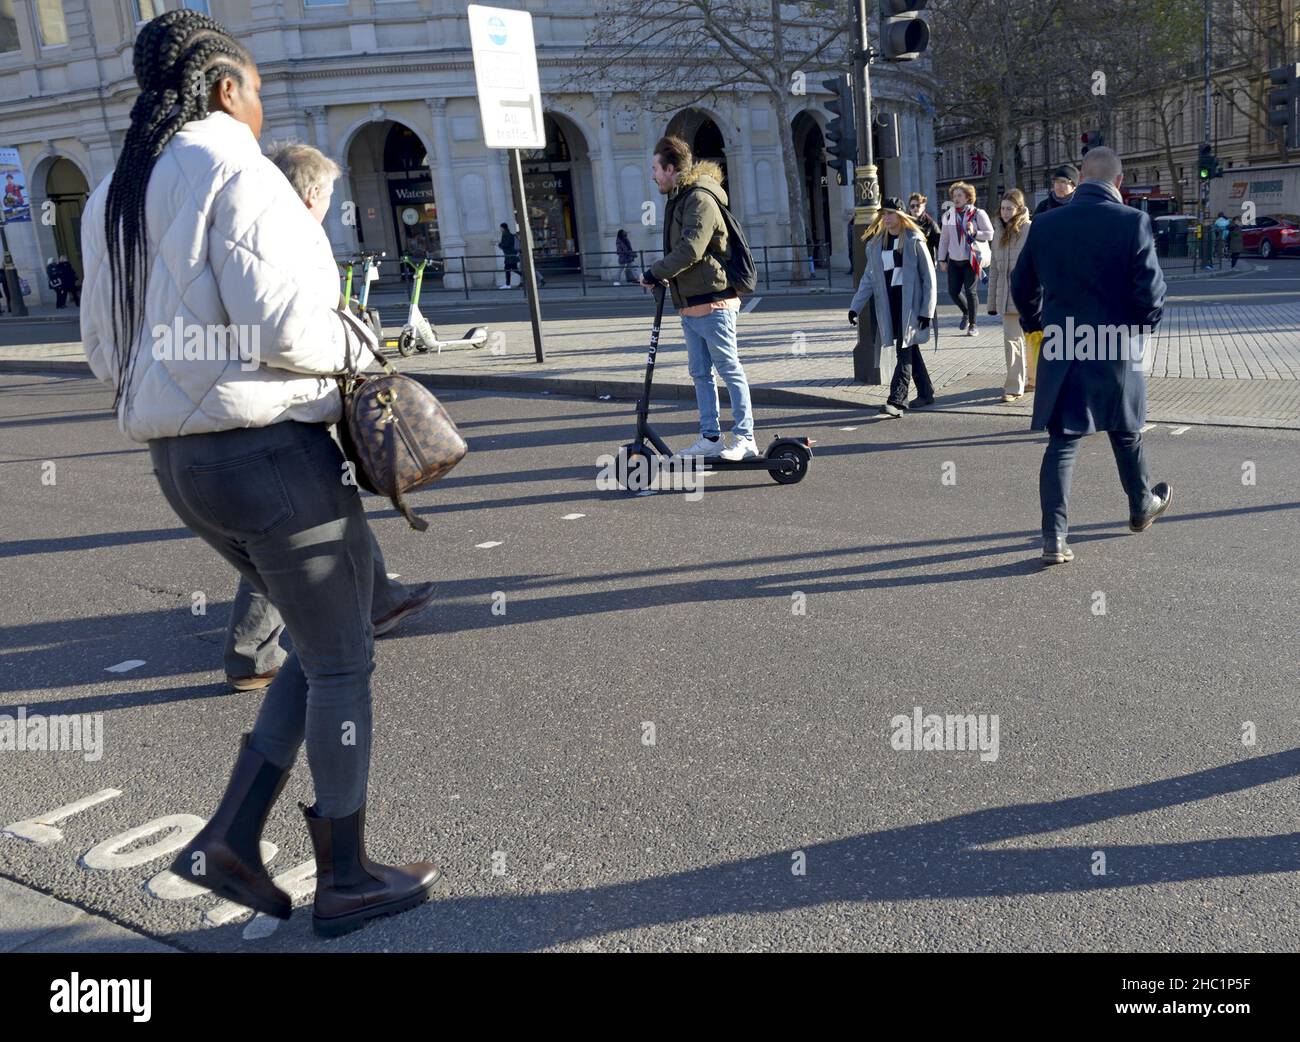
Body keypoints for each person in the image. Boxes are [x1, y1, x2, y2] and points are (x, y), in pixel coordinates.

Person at [79, 10, 440, 937]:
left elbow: (99, 352)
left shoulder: (111, 194)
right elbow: (285, 329)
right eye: (257, 92)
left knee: (323, 642)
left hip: (180, 465)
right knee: (345, 660)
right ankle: (349, 874)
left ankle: (232, 838)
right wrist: (361, 343)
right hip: (270, 456)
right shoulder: (233, 166)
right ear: (225, 88)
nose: (260, 107)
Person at [218, 142, 437, 694]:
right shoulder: (287, 235)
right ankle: (250, 653)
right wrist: (357, 345)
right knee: (291, 531)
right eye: (329, 195)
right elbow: (291, 332)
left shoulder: (249, 226)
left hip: (266, 407)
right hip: (280, 411)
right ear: (313, 192)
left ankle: (380, 600)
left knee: (330, 512)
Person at [1010, 146, 1173, 567]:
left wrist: (1036, 325)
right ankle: (1140, 507)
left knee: (1062, 442)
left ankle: (1055, 537)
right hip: (1117, 343)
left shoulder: (1045, 223)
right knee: (1126, 430)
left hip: (1063, 342)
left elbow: (1021, 282)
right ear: (1118, 182)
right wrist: (1139, 328)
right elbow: (1151, 293)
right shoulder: (1133, 221)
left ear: (1080, 178)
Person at [639, 134, 757, 460]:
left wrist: (655, 272)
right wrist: (662, 277)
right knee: (700, 373)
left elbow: (691, 248)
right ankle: (710, 437)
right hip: (690, 302)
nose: (652, 175)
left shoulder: (699, 199)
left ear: (671, 168)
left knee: (729, 368)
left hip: (714, 299)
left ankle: (746, 438)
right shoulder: (680, 198)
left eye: (655, 168)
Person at [848, 197, 937, 418]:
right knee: (909, 348)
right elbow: (868, 279)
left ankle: (897, 401)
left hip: (911, 307)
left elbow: (929, 279)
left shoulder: (914, 240)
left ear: (901, 215)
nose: (886, 218)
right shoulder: (877, 244)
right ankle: (926, 392)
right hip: (890, 305)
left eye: (891, 213)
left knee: (904, 351)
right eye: (884, 214)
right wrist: (855, 307)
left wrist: (927, 311)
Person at [985, 190, 1033, 401]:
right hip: (1008, 296)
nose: (1005, 212)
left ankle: (1035, 379)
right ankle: (1013, 387)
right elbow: (994, 269)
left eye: (1009, 208)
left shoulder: (1029, 229)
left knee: (1033, 341)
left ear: (1019, 209)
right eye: (1003, 208)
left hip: (1030, 295)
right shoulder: (997, 231)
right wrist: (992, 301)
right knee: (1012, 342)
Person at [937, 181, 992, 336]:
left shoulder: (978, 213)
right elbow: (944, 239)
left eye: (960, 195)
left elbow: (990, 233)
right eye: (954, 196)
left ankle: (973, 325)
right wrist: (941, 259)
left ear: (968, 197)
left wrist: (975, 233)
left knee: (970, 291)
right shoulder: (948, 215)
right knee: (953, 291)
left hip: (971, 260)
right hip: (954, 260)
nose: (956, 198)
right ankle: (966, 311)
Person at [908, 192, 942, 260]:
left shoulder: (930, 223)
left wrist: (943, 260)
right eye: (912, 206)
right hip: (910, 262)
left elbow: (940, 245)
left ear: (923, 207)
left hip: (927, 261)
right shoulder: (905, 223)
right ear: (909, 208)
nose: (915, 208)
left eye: (918, 205)